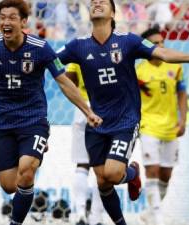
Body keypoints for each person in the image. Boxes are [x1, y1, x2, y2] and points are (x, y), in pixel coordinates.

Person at [57, 0, 189, 224]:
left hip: (125, 121)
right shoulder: (77, 46)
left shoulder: (128, 41)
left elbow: (162, 53)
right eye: (93, 2)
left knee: (112, 174)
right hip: (96, 121)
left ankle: (133, 173)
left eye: (102, 2)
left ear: (113, 13)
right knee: (102, 181)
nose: (96, 4)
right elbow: (49, 59)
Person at [0, 1, 101, 225]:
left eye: (12, 17)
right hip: (4, 122)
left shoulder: (40, 47)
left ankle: (16, 221)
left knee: (27, 169)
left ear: (23, 22)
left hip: (34, 121)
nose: (6, 22)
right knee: (9, 184)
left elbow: (63, 82)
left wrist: (87, 111)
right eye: (2, 17)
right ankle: (34, 152)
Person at [136, 27, 187, 225]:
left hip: (170, 127)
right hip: (148, 126)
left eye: (162, 42)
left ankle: (151, 212)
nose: (160, 46)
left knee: (166, 174)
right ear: (146, 47)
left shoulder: (175, 67)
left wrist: (183, 120)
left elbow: (181, 93)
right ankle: (158, 219)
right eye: (155, 43)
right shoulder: (138, 71)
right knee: (153, 170)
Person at [66, 63, 104, 225]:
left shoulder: (78, 50)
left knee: (82, 165)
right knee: (103, 169)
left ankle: (80, 212)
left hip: (83, 108)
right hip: (105, 108)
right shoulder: (115, 48)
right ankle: (96, 217)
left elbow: (68, 79)